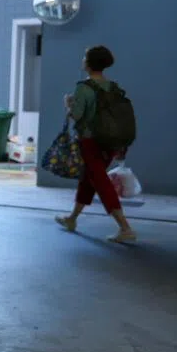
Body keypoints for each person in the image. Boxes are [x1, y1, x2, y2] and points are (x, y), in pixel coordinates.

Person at [54, 45, 137, 243]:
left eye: (85, 57)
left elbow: (77, 115)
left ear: (90, 63)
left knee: (100, 181)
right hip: (110, 142)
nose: (83, 60)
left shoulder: (84, 88)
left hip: (90, 141)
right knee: (89, 178)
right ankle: (72, 219)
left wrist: (68, 104)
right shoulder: (113, 87)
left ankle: (125, 228)